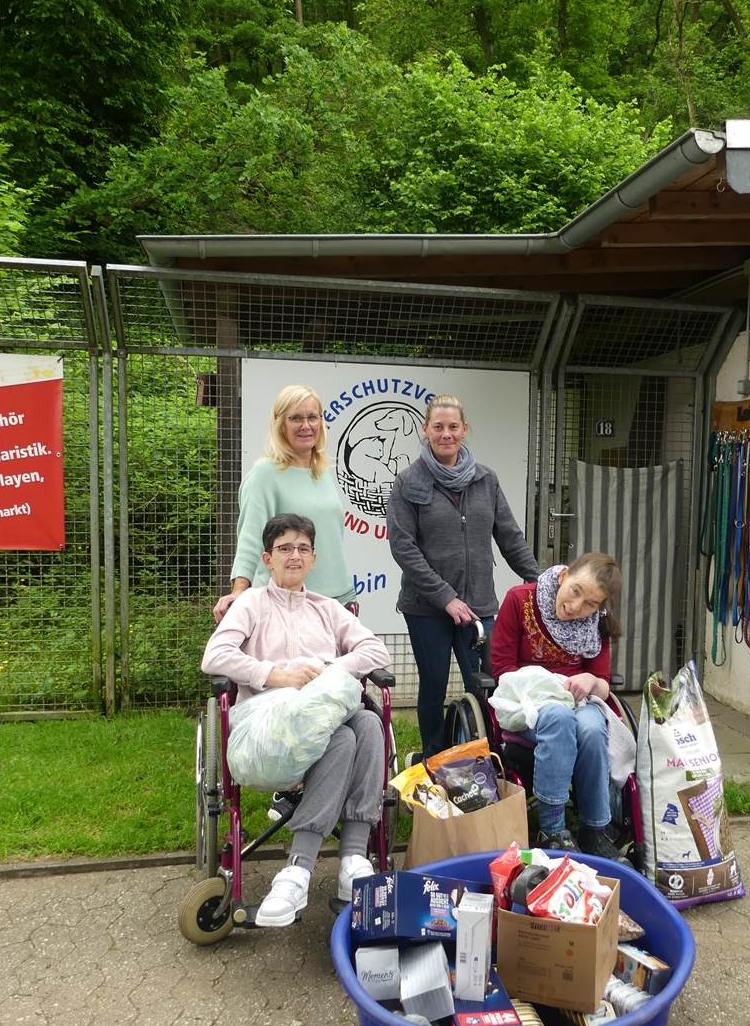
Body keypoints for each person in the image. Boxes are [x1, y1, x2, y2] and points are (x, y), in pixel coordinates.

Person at [201, 513, 390, 925]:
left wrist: (331, 668)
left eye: (303, 548)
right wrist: (275, 675)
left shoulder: (326, 609)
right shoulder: (251, 604)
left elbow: (376, 652)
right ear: (267, 558)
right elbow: (214, 657)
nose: (294, 555)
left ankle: (352, 862)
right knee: (342, 738)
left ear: (314, 558)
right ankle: (299, 868)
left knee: (370, 725)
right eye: (285, 548)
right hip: (268, 727)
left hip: (322, 723)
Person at [386, 394, 539, 758]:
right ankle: (435, 762)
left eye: (453, 427)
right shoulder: (408, 482)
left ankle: (485, 758)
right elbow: (404, 548)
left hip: (480, 605)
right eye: (438, 427)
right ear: (426, 430)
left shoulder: (486, 479)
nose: (446, 434)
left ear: (464, 430)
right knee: (434, 685)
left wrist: (541, 582)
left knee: (485, 685)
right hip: (427, 609)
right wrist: (446, 597)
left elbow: (509, 537)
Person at [489, 552, 623, 859]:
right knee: (559, 717)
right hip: (527, 702)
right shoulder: (520, 600)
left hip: (578, 701)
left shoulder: (597, 624)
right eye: (575, 591)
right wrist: (546, 686)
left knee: (591, 727)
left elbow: (602, 684)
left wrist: (589, 680)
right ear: (564, 576)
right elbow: (502, 670)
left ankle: (594, 829)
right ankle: (552, 829)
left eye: (590, 603)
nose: (577, 607)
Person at [213, 384, 355, 622]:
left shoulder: (322, 471)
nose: (306, 426)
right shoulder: (264, 475)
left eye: (312, 417)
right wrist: (239, 590)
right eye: (296, 418)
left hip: (337, 602)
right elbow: (251, 539)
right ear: (280, 424)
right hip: (287, 606)